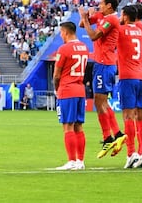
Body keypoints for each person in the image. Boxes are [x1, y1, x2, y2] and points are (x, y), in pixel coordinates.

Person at [79, 0, 125, 158]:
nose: (99, 6)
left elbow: (92, 35)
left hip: (105, 64)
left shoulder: (111, 19)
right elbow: (81, 24)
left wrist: (86, 17)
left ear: (110, 6)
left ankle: (111, 136)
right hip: (102, 63)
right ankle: (114, 136)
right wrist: (86, 17)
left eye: (101, 4)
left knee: (99, 101)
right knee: (101, 102)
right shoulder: (103, 16)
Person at [116, 5, 142, 169]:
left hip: (129, 76)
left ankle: (131, 153)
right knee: (141, 114)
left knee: (128, 116)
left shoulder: (123, 29)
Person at [53, 21, 88, 171]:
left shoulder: (64, 49)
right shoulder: (84, 48)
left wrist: (56, 89)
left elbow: (56, 74)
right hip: (80, 90)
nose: (61, 35)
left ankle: (71, 160)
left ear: (66, 32)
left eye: (61, 32)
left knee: (67, 126)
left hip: (67, 90)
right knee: (78, 126)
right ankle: (80, 160)